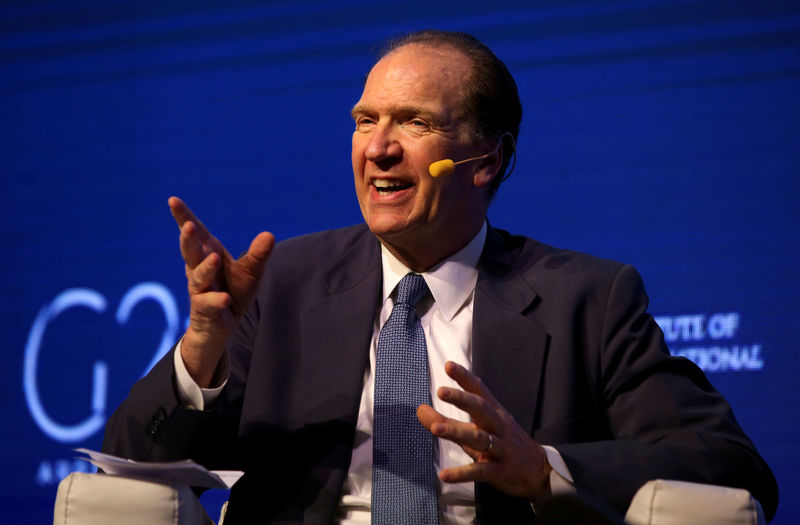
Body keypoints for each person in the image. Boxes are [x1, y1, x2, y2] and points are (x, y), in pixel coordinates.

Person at [102, 30, 778, 523]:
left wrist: (546, 468)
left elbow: (732, 465)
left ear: (487, 160)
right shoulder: (283, 284)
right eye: (365, 121)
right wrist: (200, 349)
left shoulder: (587, 300)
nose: (378, 147)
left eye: (415, 122)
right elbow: (129, 464)